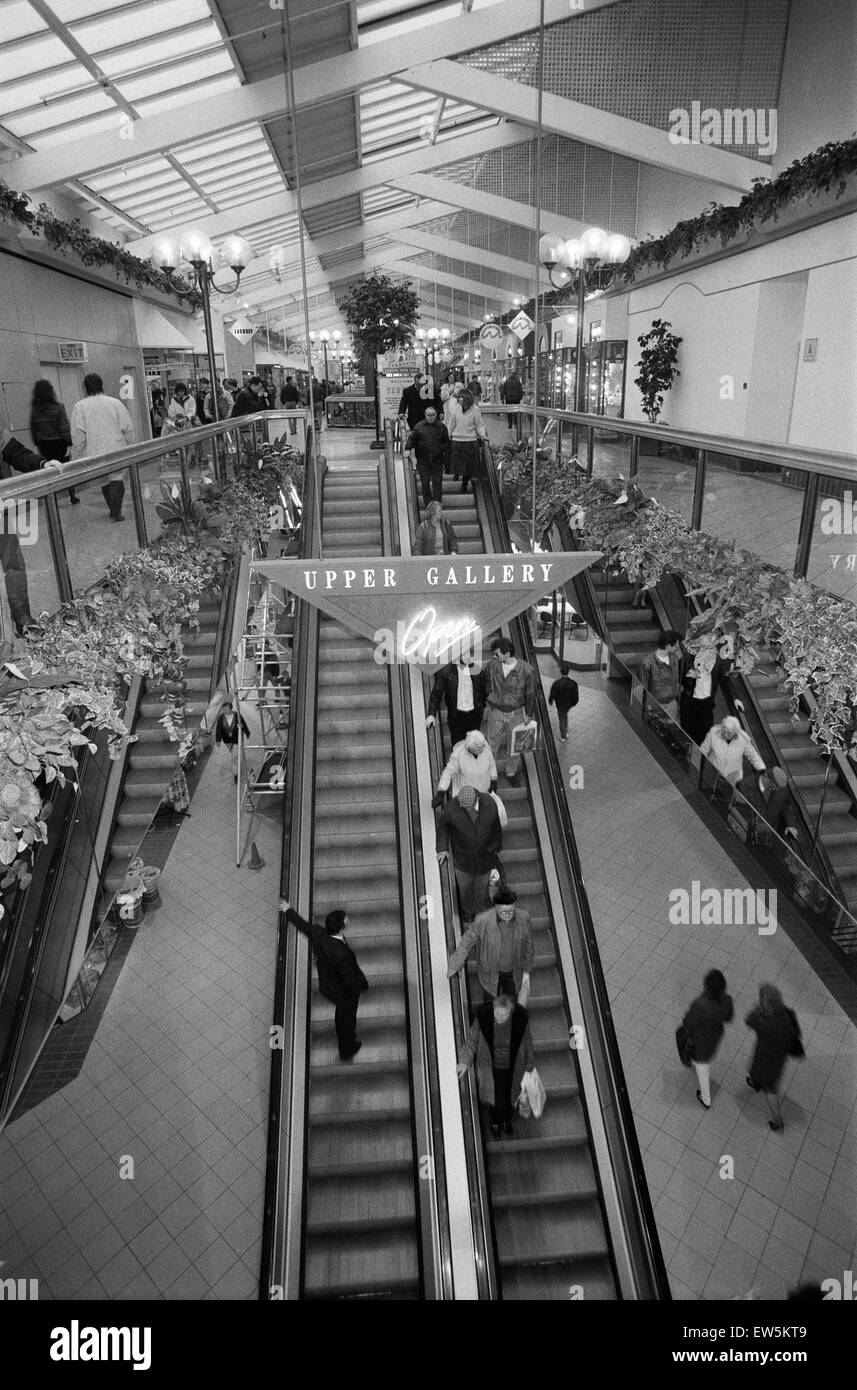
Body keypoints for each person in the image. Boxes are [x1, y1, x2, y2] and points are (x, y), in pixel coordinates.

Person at [279, 899, 368, 1061]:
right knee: (345, 1020)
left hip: (328, 985)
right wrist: (361, 986)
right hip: (344, 994)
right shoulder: (343, 954)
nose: (348, 920)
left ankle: (347, 1039)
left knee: (344, 1018)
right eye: (346, 920)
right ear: (341, 927)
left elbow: (302, 925)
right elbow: (349, 981)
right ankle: (347, 1050)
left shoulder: (318, 934)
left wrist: (288, 910)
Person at [456, 992, 536, 1138]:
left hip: (512, 1068)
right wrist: (464, 1061)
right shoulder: (483, 1019)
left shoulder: (520, 1022)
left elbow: (528, 1044)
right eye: (497, 1013)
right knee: (496, 1097)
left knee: (510, 1095)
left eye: (503, 1014)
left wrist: (529, 1066)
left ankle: (506, 1119)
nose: (499, 1017)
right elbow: (472, 1040)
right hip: (490, 1067)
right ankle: (495, 1120)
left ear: (510, 1013)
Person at [447, 888, 533, 1004]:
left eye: (511, 911)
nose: (507, 915)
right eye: (504, 912)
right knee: (490, 1002)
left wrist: (526, 971)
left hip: (514, 973)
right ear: (497, 907)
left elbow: (528, 946)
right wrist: (454, 964)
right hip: (490, 974)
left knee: (510, 1005)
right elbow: (466, 943)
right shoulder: (482, 921)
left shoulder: (524, 918)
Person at [70, 372, 134, 521]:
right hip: (116, 447)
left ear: (85, 389)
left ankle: (113, 509)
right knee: (117, 477)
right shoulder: (114, 402)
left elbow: (77, 433)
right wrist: (132, 445)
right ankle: (115, 512)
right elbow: (127, 426)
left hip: (94, 450)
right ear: (101, 385)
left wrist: (79, 451)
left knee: (104, 479)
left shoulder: (80, 406)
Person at [436, 783, 502, 923]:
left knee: (480, 890)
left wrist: (496, 846)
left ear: (476, 799)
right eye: (462, 806)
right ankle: (467, 912)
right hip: (462, 862)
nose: (465, 809)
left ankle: (479, 914)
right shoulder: (452, 808)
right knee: (465, 890)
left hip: (485, 860)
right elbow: (443, 827)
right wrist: (442, 848)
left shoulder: (489, 804)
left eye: (468, 806)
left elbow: (496, 827)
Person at [745, 983, 802, 1132]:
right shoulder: (788, 1014)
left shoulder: (761, 1020)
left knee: (770, 1091)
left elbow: (748, 1020)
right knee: (767, 1080)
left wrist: (757, 1008)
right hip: (778, 1058)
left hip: (764, 1057)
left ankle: (778, 1121)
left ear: (763, 1002)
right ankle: (755, 1082)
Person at [482, 636, 535, 782]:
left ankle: (511, 770)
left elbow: (530, 693)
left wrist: (529, 713)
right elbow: (485, 681)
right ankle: (490, 771)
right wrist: (489, 695)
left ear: (507, 653)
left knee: (514, 745)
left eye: (497, 654)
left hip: (516, 713)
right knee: (491, 743)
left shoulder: (526, 669)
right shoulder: (492, 666)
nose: (494, 656)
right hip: (496, 711)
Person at [681, 968, 734, 1109]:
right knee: (703, 1058)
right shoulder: (727, 1000)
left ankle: (706, 1099)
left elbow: (688, 1022)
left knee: (702, 1066)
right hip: (714, 1036)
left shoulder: (701, 1004)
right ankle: (694, 1063)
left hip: (700, 1041)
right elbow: (728, 1018)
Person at [30, 379, 77, 503]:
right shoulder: (58, 408)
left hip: (44, 444)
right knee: (65, 470)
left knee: (49, 472)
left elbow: (33, 429)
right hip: (59, 443)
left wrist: (38, 443)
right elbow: (64, 427)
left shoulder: (35, 410)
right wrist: (69, 443)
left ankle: (52, 499)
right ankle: (72, 495)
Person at [426, 654, 486, 746]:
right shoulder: (446, 670)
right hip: (457, 716)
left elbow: (483, 690)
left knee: (474, 745)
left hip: (474, 715)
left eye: (471, 655)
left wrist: (481, 707)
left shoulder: (476, 669)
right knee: (458, 747)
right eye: (466, 655)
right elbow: (436, 693)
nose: (469, 658)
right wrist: (431, 714)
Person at [679, 641, 729, 745]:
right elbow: (679, 678)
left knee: (705, 735)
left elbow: (725, 680)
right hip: (690, 702)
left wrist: (735, 699)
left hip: (706, 704)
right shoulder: (688, 659)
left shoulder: (717, 662)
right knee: (687, 733)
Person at [700, 715, 765, 787]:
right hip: (713, 771)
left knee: (726, 795)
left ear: (736, 732)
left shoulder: (743, 739)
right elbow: (703, 749)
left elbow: (752, 755)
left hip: (732, 776)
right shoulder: (713, 733)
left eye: (729, 733)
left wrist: (761, 768)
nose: (725, 734)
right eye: (724, 731)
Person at [434, 729, 497, 802]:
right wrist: (441, 792)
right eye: (479, 749)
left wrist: (493, 780)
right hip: (467, 795)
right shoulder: (458, 754)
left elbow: (492, 765)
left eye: (482, 747)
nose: (482, 749)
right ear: (470, 748)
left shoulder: (484, 745)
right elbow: (448, 773)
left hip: (484, 792)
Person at [445, 388, 488, 494]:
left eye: (461, 398)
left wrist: (483, 435)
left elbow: (479, 425)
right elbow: (451, 423)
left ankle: (464, 485)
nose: (459, 400)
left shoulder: (475, 409)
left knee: (468, 467)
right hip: (457, 440)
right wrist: (447, 435)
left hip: (470, 440)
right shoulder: (456, 408)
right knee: (459, 464)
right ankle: (456, 474)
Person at [406, 404, 450, 506]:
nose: (431, 417)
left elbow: (447, 442)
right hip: (423, 459)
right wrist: (408, 448)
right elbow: (412, 439)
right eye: (428, 415)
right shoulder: (419, 426)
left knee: (437, 482)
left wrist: (441, 449)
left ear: (436, 415)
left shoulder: (442, 427)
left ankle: (437, 503)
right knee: (424, 482)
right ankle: (428, 503)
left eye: (433, 415)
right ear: (425, 415)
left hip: (437, 459)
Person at [639, 630, 682, 720]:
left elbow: (676, 680)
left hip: (672, 705)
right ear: (668, 645)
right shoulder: (647, 662)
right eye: (676, 644)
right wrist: (648, 706)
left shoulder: (674, 659)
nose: (678, 647)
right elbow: (643, 687)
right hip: (655, 707)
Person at [214, 699, 250, 782]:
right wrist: (218, 740)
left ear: (231, 709)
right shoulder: (221, 718)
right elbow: (218, 729)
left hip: (237, 738)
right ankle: (236, 766)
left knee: (235, 755)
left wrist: (247, 732)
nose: (224, 711)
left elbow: (243, 724)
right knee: (232, 753)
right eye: (223, 709)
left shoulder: (237, 716)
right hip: (227, 740)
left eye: (226, 709)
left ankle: (236, 774)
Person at [548, 662, 579, 743]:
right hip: (568, 705)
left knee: (561, 719)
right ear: (568, 672)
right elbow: (575, 696)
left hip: (560, 704)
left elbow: (552, 694)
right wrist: (573, 703)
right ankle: (566, 731)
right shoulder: (573, 683)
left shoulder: (557, 683)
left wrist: (551, 701)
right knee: (565, 715)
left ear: (561, 672)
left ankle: (563, 736)